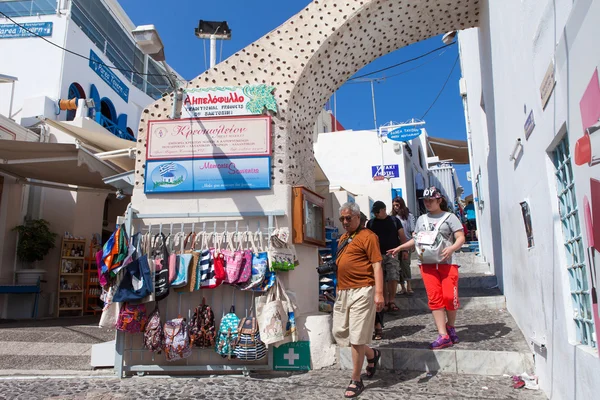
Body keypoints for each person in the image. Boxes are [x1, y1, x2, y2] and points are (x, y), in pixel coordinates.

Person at [387, 187, 465, 350]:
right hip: (427, 264)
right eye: (425, 201)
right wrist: (401, 248)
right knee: (435, 298)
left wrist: (451, 248)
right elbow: (416, 240)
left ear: (439, 200)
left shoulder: (450, 217)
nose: (428, 203)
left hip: (448, 263)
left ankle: (450, 326)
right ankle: (443, 335)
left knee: (450, 297)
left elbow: (460, 237)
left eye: (431, 200)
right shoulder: (422, 219)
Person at [333, 202, 384, 398]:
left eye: (348, 218)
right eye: (342, 219)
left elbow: (377, 265)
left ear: (358, 218)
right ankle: (372, 355)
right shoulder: (343, 238)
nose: (345, 222)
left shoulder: (368, 236)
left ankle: (356, 379)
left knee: (356, 337)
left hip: (363, 290)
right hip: (344, 291)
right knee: (340, 332)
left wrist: (379, 293)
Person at [367, 201, 406, 312]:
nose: (375, 214)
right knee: (381, 278)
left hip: (392, 253)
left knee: (393, 277)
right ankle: (384, 300)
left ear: (383, 210)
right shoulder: (371, 223)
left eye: (377, 212)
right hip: (376, 255)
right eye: (374, 212)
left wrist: (404, 251)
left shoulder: (394, 221)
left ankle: (391, 300)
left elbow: (402, 236)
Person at [390, 197, 416, 295]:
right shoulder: (392, 217)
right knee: (398, 265)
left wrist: (414, 243)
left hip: (407, 242)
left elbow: (413, 230)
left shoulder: (409, 216)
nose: (395, 207)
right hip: (396, 243)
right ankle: (402, 287)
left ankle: (409, 285)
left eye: (397, 205)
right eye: (394, 205)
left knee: (405, 264)